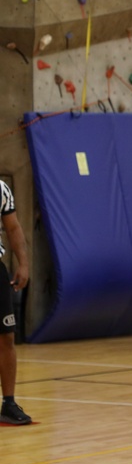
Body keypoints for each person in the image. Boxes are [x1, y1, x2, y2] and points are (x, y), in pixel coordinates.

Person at [0, 180, 31, 425]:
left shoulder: (1, 189)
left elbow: (13, 228)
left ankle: (9, 403)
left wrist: (23, 263)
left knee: (6, 336)